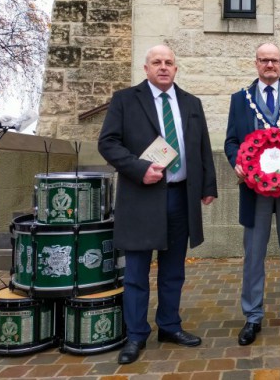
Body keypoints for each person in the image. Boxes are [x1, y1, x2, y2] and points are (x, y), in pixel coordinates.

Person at [98, 45, 217, 364]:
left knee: (173, 269)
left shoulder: (191, 103)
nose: (163, 67)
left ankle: (169, 325)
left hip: (180, 197)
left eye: (169, 62)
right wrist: (139, 169)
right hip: (141, 197)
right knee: (137, 271)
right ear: (146, 67)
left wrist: (208, 186)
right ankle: (135, 335)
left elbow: (203, 146)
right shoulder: (126, 99)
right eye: (156, 62)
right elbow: (107, 142)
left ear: (176, 68)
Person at [224, 42, 280, 345]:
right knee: (254, 255)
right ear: (256, 64)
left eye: (274, 60)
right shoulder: (240, 99)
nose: (269, 65)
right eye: (264, 60)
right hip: (255, 192)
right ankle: (252, 316)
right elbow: (231, 141)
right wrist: (238, 162)